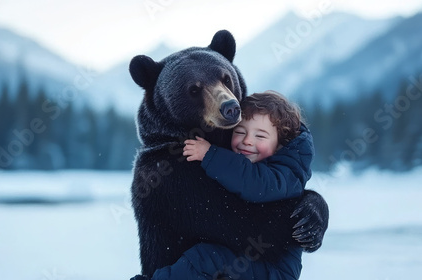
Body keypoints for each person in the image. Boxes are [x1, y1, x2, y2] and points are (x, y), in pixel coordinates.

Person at [131, 90, 314, 280]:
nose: (247, 141)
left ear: (280, 144)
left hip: (274, 271)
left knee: (206, 257)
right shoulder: (264, 162)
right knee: (208, 258)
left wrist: (210, 154)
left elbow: (254, 183)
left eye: (260, 136)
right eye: (240, 132)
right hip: (256, 262)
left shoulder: (282, 174)